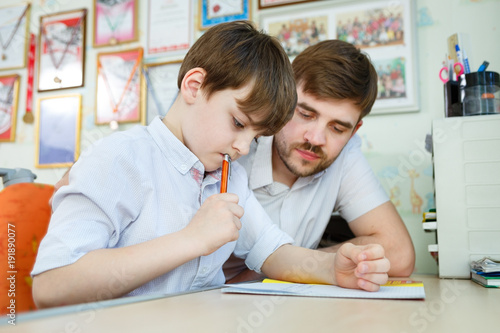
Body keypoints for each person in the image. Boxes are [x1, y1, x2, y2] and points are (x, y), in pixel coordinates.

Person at [32, 21, 390, 309]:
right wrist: (191, 239)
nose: (243, 147)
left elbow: (271, 251)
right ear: (194, 85)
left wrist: (332, 268)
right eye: (238, 123)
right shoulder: (118, 159)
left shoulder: (227, 174)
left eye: (256, 135)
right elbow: (52, 285)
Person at [223, 39, 415, 283]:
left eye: (337, 128)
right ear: (283, 99)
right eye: (305, 114)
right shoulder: (238, 142)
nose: (315, 139)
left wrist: (300, 265)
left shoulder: (345, 152)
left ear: (353, 131)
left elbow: (399, 253)